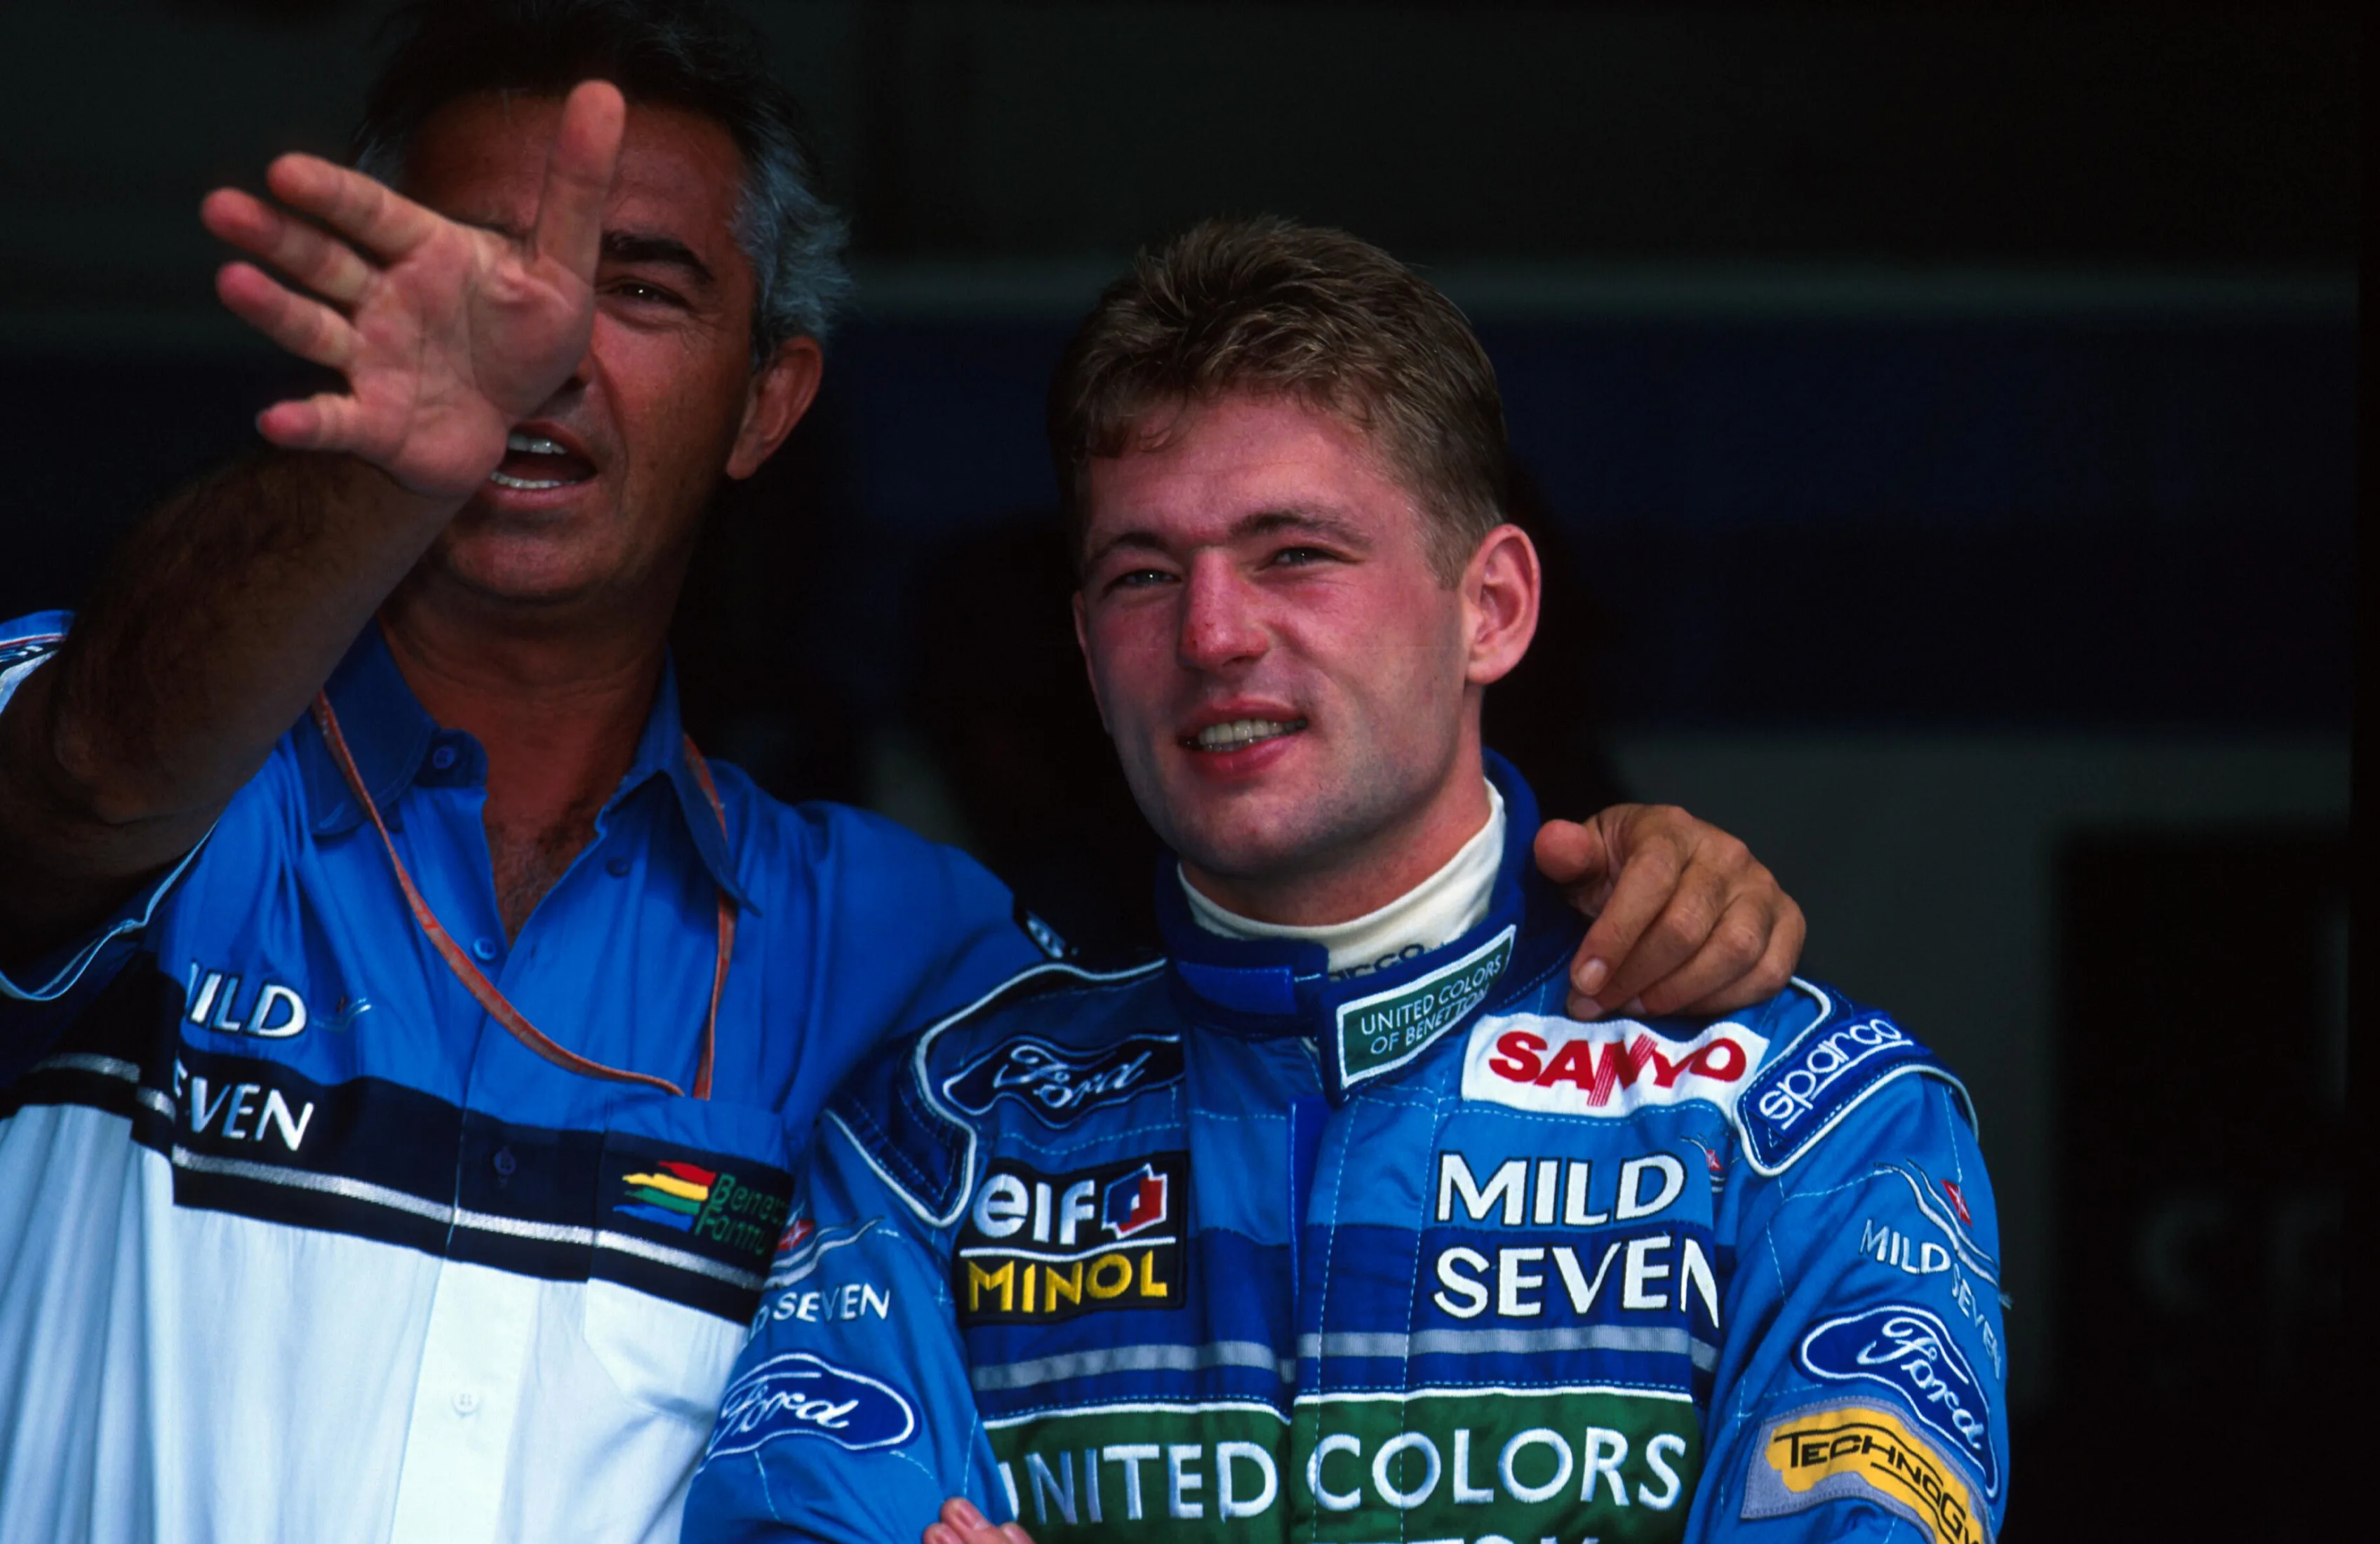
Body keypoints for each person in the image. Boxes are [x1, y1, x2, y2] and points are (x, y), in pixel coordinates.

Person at [0, 5, 1808, 1541]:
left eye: (637, 287)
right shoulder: (139, 744)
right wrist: (375, 466)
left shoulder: (915, 958)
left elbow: (1292, 985)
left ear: (770, 398)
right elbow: (86, 768)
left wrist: (1589, 873)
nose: (537, 347)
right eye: (478, 280)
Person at [683, 219, 2010, 1544]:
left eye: (1295, 554)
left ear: (1490, 607)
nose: (1211, 634)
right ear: (1090, 656)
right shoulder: (941, 1141)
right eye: (1144, 575)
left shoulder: (1815, 1123)